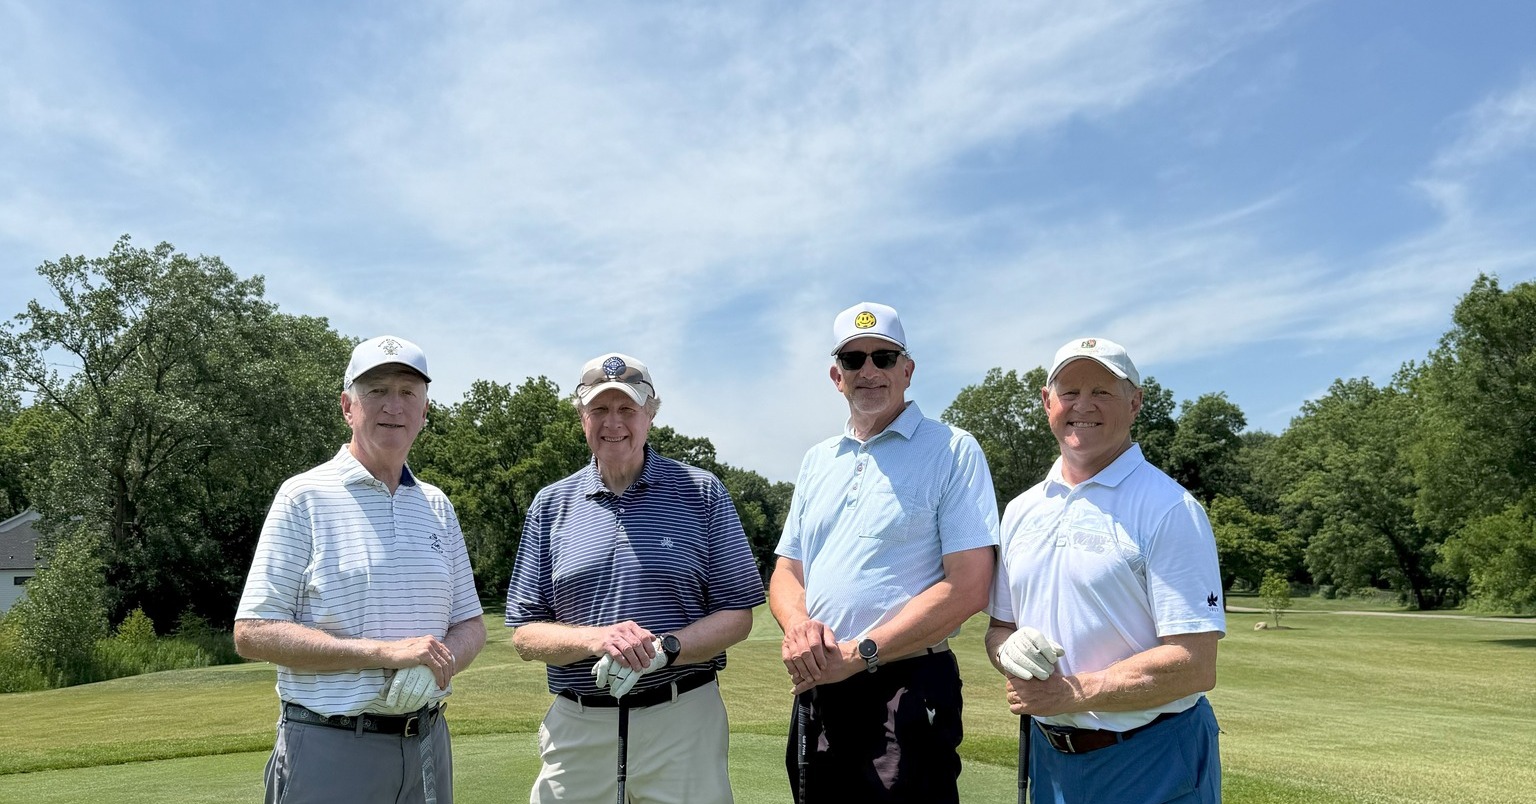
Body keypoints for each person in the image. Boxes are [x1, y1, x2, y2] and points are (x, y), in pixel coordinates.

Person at [234, 335, 487, 804]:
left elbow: (470, 624)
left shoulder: (437, 505)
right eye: (377, 391)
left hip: (428, 743)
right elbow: (253, 631)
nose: (394, 405)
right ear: (348, 406)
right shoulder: (303, 496)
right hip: (331, 748)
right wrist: (387, 653)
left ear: (425, 411)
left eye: (408, 392)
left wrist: (439, 659)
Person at [505, 352, 766, 803]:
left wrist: (662, 651)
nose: (614, 423)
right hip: (580, 725)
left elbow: (737, 615)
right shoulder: (551, 504)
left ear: (651, 413)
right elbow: (525, 632)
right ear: (581, 416)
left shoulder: (701, 492)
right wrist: (596, 641)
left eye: (628, 408)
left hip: (682, 720)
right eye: (599, 409)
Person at [769, 302, 1000, 803]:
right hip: (821, 683)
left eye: (883, 357)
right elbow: (787, 572)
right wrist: (801, 631)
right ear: (837, 376)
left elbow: (970, 585)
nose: (868, 370)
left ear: (907, 370)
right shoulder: (817, 461)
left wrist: (859, 653)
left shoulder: (953, 449)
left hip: (906, 684)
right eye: (853, 360)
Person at [987, 337, 1226, 803]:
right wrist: (1008, 653)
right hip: (1049, 757)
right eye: (1070, 391)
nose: (1083, 405)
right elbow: (1000, 628)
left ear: (1135, 402)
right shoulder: (1020, 510)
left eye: (1102, 391)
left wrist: (1074, 693)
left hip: (1151, 756)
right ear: (1046, 401)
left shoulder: (1170, 507)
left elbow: (1195, 664)